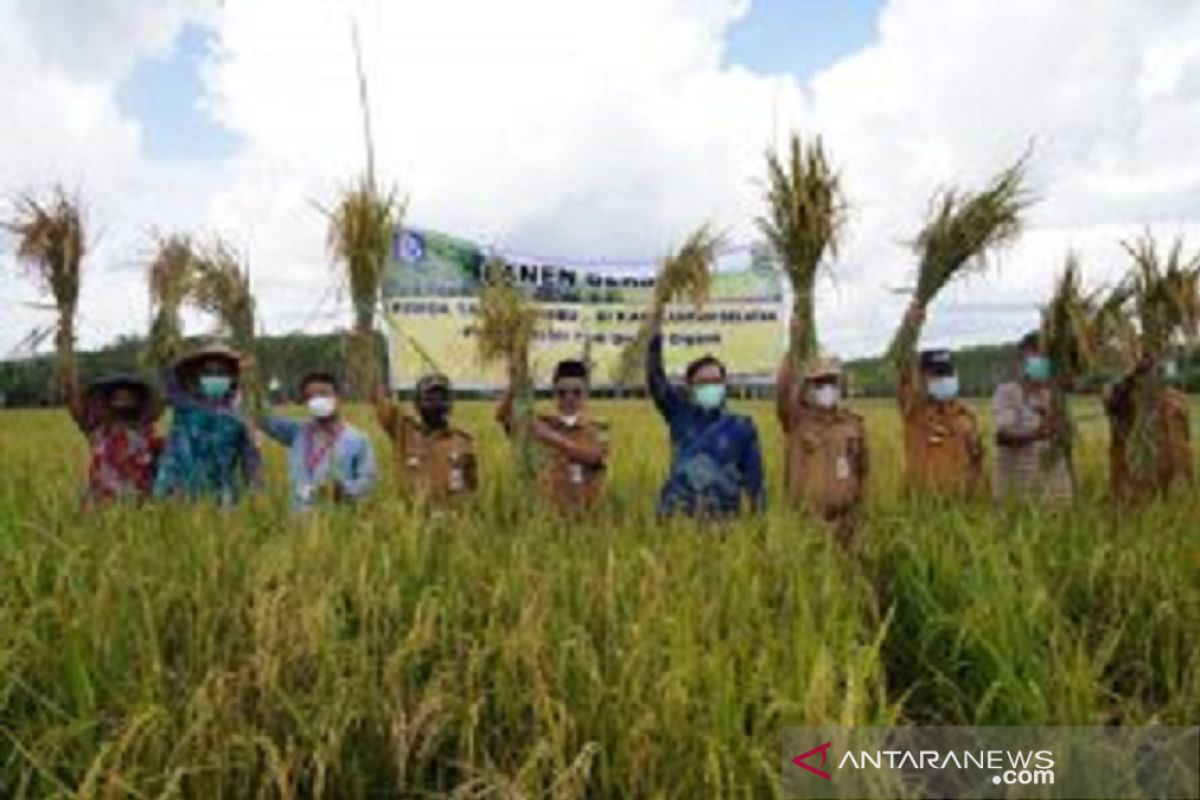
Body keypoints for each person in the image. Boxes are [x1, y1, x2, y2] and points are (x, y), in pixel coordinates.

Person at [646, 307, 764, 518]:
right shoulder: (679, 414)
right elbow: (656, 379)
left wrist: (759, 527)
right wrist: (655, 333)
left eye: (717, 381)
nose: (711, 387)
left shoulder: (741, 426)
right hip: (676, 519)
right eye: (703, 383)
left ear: (725, 384)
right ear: (690, 388)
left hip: (725, 526)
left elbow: (755, 482)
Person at [776, 337, 869, 544]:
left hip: (847, 523)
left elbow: (863, 471)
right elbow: (783, 391)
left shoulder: (852, 425)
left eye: (831, 382)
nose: (826, 388)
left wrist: (859, 513)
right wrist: (795, 347)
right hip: (806, 525)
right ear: (808, 387)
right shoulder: (796, 422)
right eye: (819, 383)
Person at [893, 303, 985, 498]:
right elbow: (902, 363)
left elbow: (977, 462)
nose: (943, 379)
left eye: (947, 373)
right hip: (921, 509)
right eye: (936, 375)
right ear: (922, 379)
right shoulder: (914, 411)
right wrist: (910, 329)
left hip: (962, 508)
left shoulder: (966, 417)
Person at [153, 342, 262, 505]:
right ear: (197, 375)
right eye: (208, 372)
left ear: (232, 377)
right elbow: (169, 377)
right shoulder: (184, 403)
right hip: (177, 491)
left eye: (221, 372)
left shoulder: (241, 417)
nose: (215, 377)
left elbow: (251, 462)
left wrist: (256, 495)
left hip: (221, 496)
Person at [496, 358, 609, 514]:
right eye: (562, 393)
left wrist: (548, 437)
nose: (569, 398)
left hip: (586, 519)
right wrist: (514, 386)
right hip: (548, 519)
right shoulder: (544, 423)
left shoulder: (598, 429)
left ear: (586, 393)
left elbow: (591, 455)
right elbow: (504, 418)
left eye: (576, 393)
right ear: (554, 393)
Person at [258, 372, 377, 510]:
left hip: (336, 519)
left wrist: (342, 489)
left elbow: (367, 480)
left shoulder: (358, 439)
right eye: (311, 396)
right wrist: (247, 379)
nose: (318, 400)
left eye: (324, 394)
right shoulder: (297, 432)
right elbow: (262, 418)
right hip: (299, 519)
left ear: (338, 397)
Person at [991, 332, 1074, 507]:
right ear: (1023, 359)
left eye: (1045, 355)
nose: (1041, 360)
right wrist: (1036, 434)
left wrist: (1063, 430)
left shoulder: (1055, 395)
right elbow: (1002, 437)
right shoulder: (1008, 392)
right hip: (1017, 490)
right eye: (1035, 354)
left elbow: (1065, 435)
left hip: (1054, 491)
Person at [375, 373, 478, 504]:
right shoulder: (405, 431)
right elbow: (383, 408)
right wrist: (383, 388)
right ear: (417, 404)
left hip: (450, 517)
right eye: (429, 398)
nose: (436, 403)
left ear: (450, 404)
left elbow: (471, 489)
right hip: (412, 519)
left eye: (442, 398)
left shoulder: (462, 441)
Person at [65, 372, 164, 507]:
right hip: (101, 501)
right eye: (118, 397)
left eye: (129, 397)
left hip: (138, 501)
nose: (123, 401)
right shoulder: (99, 430)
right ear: (109, 401)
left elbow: (162, 462)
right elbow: (74, 407)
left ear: (138, 402)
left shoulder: (146, 433)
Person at [1103, 357, 1193, 502]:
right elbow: (1111, 402)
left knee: (1172, 498)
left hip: (1172, 461)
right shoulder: (1125, 398)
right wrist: (1130, 378)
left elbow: (1186, 435)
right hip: (1137, 466)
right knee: (1138, 499)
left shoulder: (1176, 398)